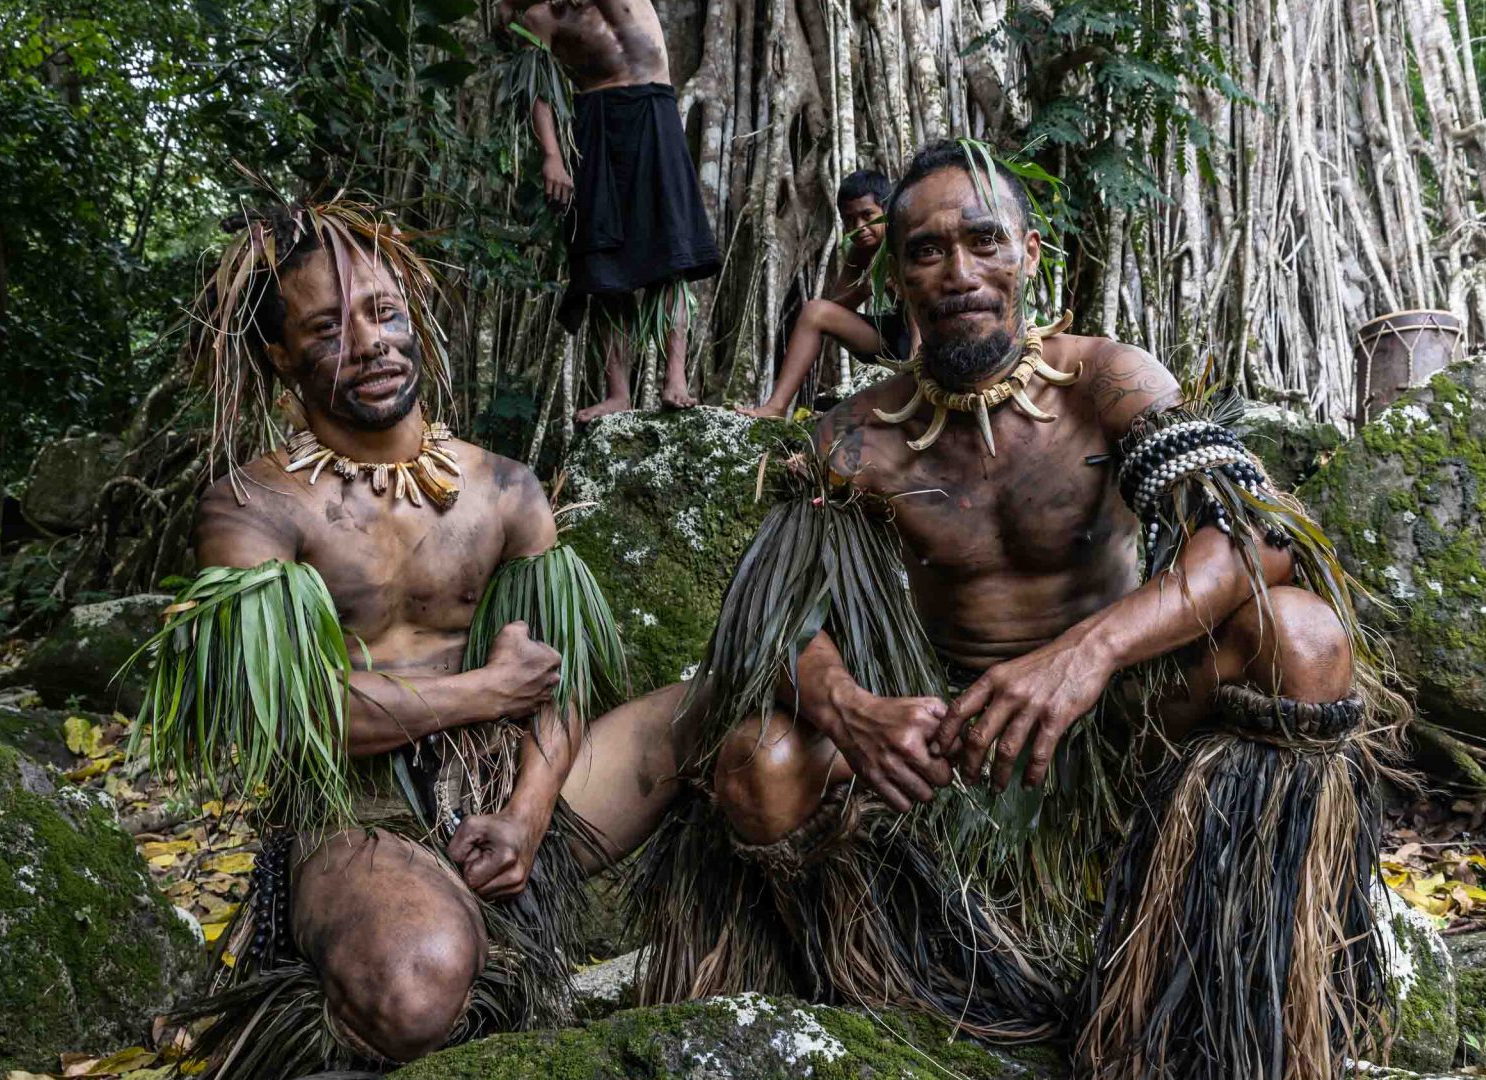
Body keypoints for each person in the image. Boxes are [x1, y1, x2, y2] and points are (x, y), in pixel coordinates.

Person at [631, 142, 1405, 1078]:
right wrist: (851, 708)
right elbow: (773, 615)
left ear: (1029, 255)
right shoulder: (855, 436)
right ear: (897, 272)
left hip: (1124, 726)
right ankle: (888, 1002)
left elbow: (1252, 535)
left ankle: (1211, 1018)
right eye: (926, 250)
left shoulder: (1110, 383)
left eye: (983, 241)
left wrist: (1089, 653)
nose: (958, 273)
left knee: (1306, 637)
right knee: (760, 761)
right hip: (950, 748)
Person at [136, 202, 688, 1077]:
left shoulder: (506, 487)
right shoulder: (255, 507)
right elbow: (295, 716)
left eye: (384, 313)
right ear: (279, 355)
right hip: (358, 814)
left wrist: (524, 820)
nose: (372, 342)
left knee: (727, 707)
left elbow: (559, 682)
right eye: (327, 327)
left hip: (518, 788)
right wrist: (484, 693)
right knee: (415, 987)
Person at [498, 0, 721, 421]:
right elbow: (537, 88)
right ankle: (617, 392)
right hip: (596, 120)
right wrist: (552, 156)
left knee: (672, 253)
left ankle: (675, 378)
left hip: (655, 108)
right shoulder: (541, 16)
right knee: (602, 265)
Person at [737, 168, 917, 420]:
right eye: (850, 220)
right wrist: (865, 289)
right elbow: (835, 306)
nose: (860, 227)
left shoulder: (908, 238)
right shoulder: (861, 250)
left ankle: (915, 384)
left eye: (868, 216)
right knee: (814, 311)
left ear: (887, 211)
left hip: (924, 336)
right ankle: (775, 407)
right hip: (891, 338)